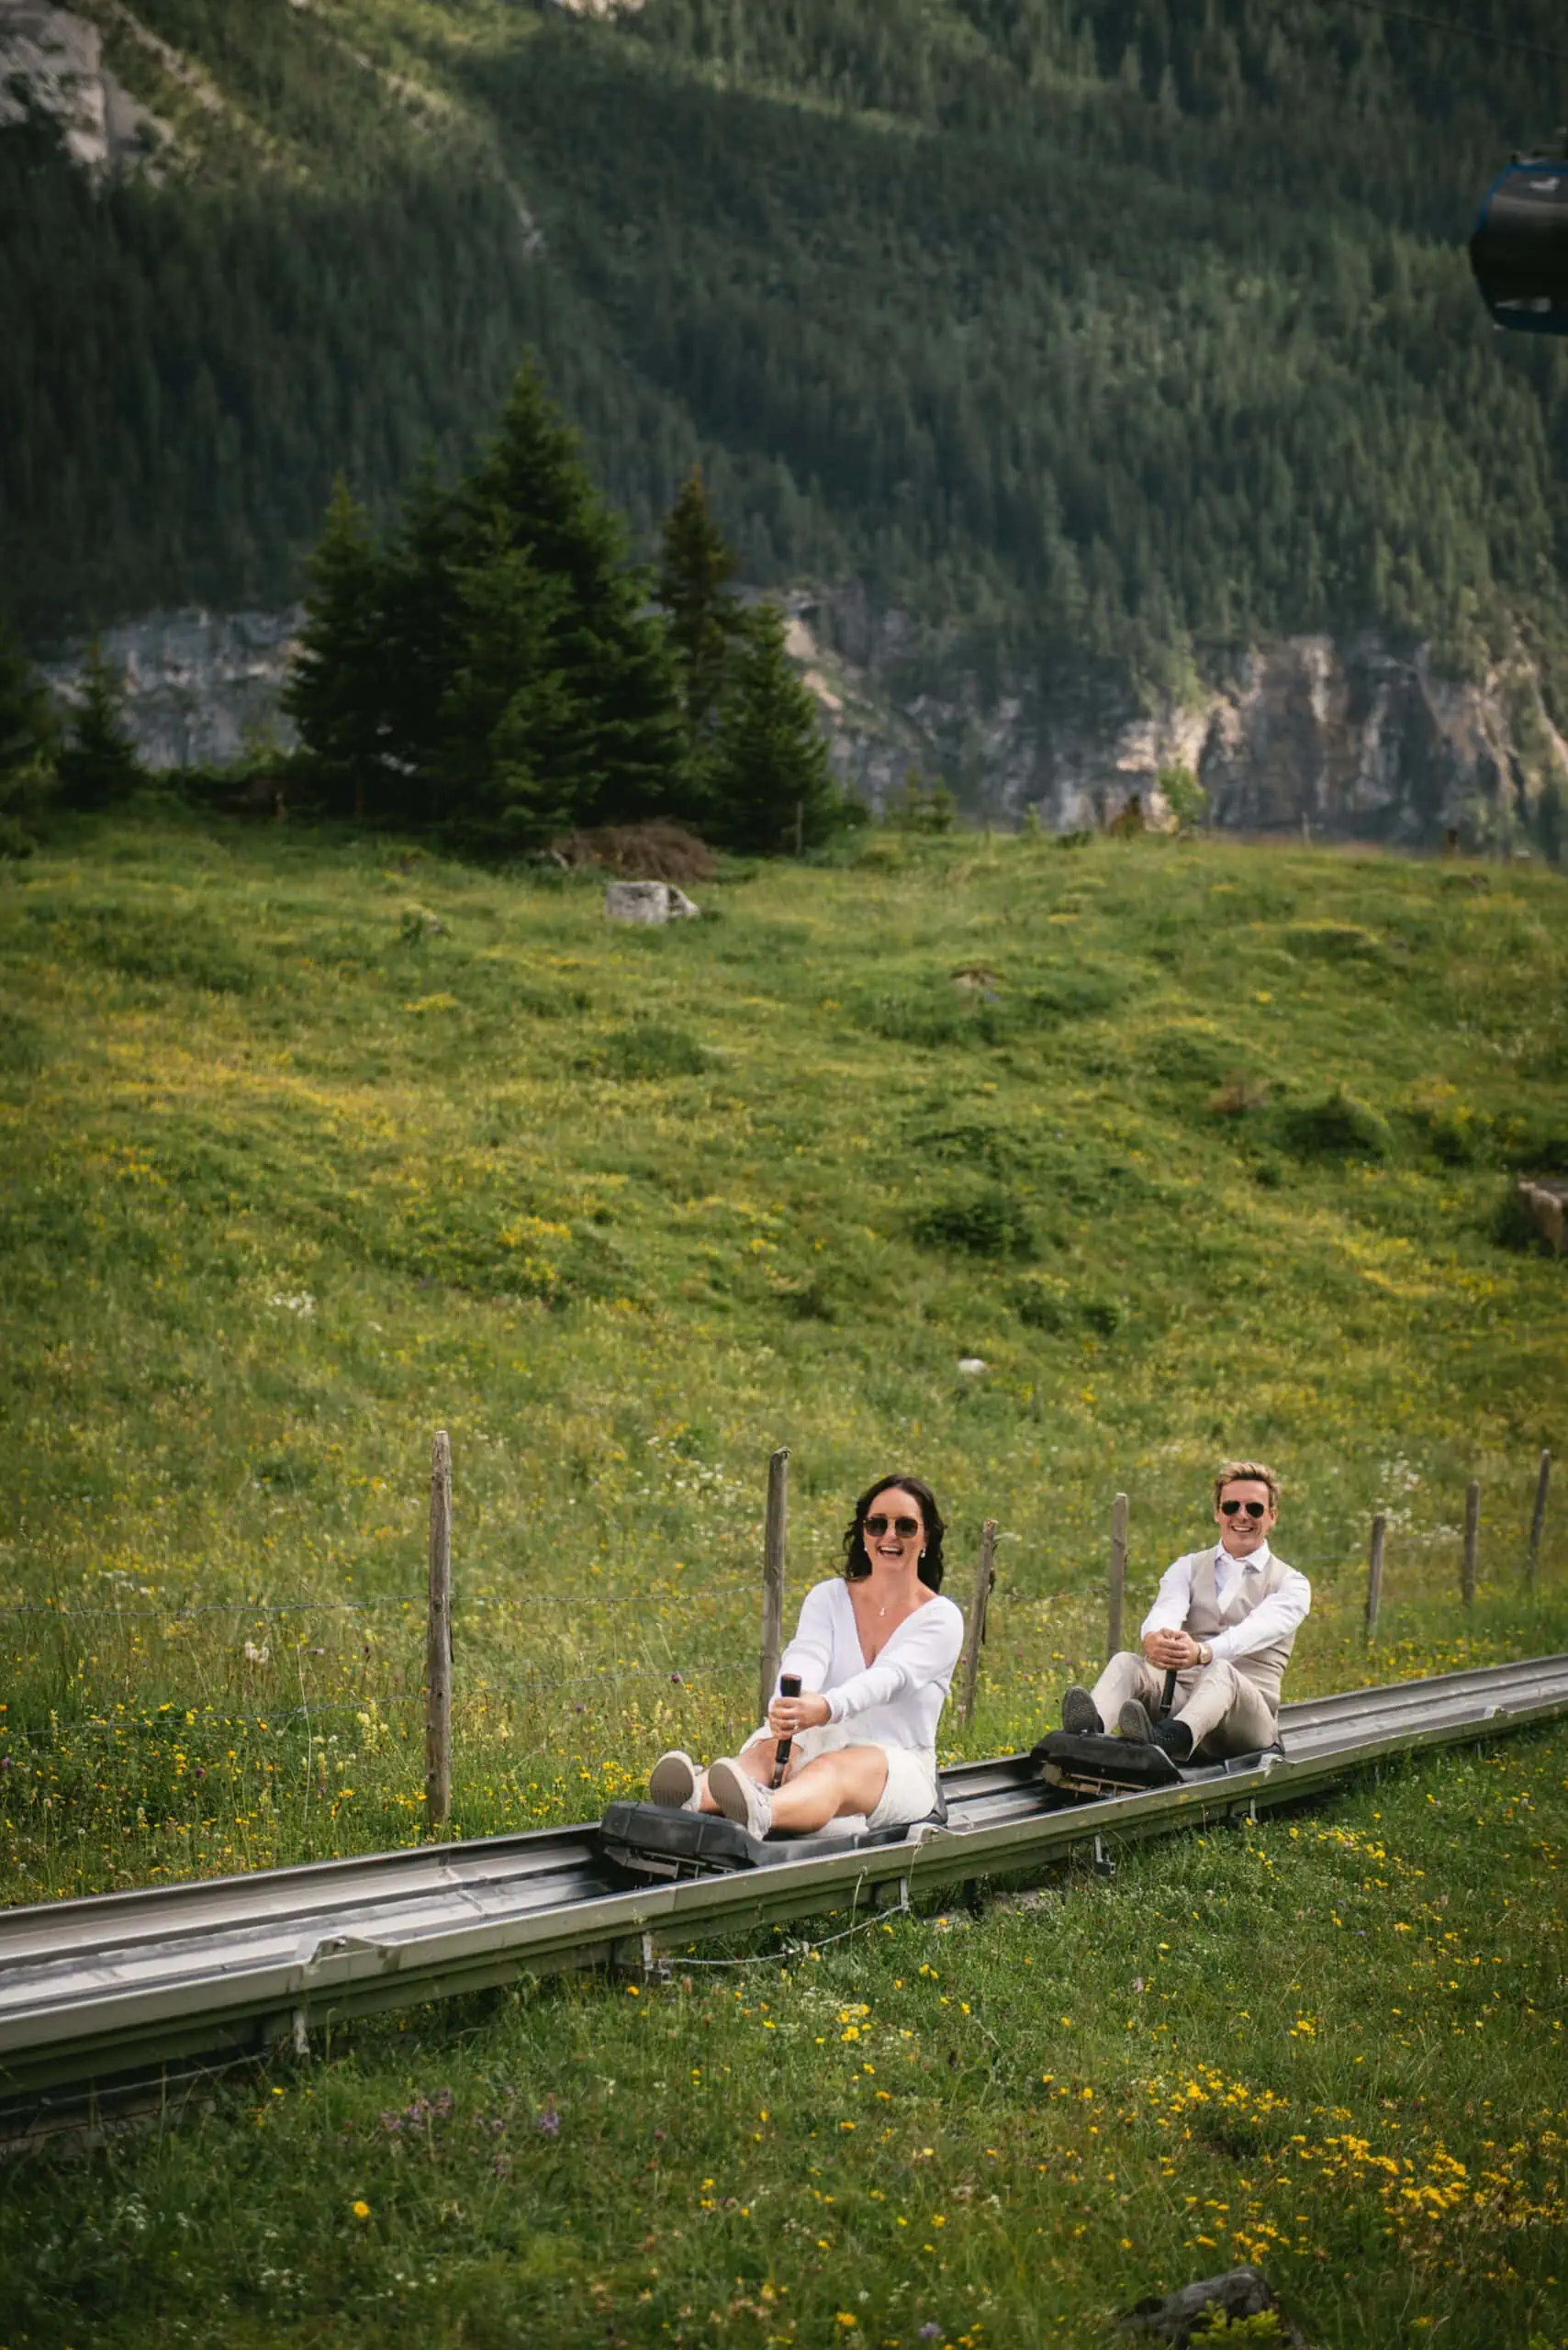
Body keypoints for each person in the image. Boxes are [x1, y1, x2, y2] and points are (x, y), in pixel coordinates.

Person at [647, 1474, 964, 1841]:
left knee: (833, 1768)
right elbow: (807, 1653)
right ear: (864, 1534)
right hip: (820, 1736)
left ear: (926, 1538)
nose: (889, 1536)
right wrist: (790, 1706)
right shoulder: (829, 1596)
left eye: (905, 1526)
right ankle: (693, 1798)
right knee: (771, 1750)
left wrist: (826, 1707)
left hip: (895, 1762)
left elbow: (891, 1678)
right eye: (877, 1525)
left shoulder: (941, 1618)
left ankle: (765, 1809)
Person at [1060, 1460, 1310, 1762]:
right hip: (1179, 1703)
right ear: (1218, 1513)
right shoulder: (1188, 1567)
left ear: (1272, 1516)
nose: (1242, 1516)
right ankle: (1087, 1734)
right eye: (1231, 1507)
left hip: (1246, 1724)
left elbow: (1254, 1630)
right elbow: (1168, 1608)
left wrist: (1202, 1652)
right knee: (1126, 1662)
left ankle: (1167, 1741)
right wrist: (1156, 1637)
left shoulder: (1292, 1584)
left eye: (1254, 1509)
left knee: (1221, 1670)